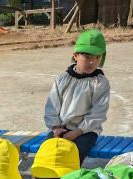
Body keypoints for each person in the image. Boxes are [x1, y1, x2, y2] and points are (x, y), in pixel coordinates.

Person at [44, 29, 109, 164]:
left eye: (97, 57)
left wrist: (78, 132)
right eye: (87, 57)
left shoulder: (100, 82)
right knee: (48, 152)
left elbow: (98, 113)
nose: (92, 62)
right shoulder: (62, 80)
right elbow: (52, 106)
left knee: (73, 154)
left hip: (86, 131)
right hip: (61, 128)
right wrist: (55, 128)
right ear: (76, 55)